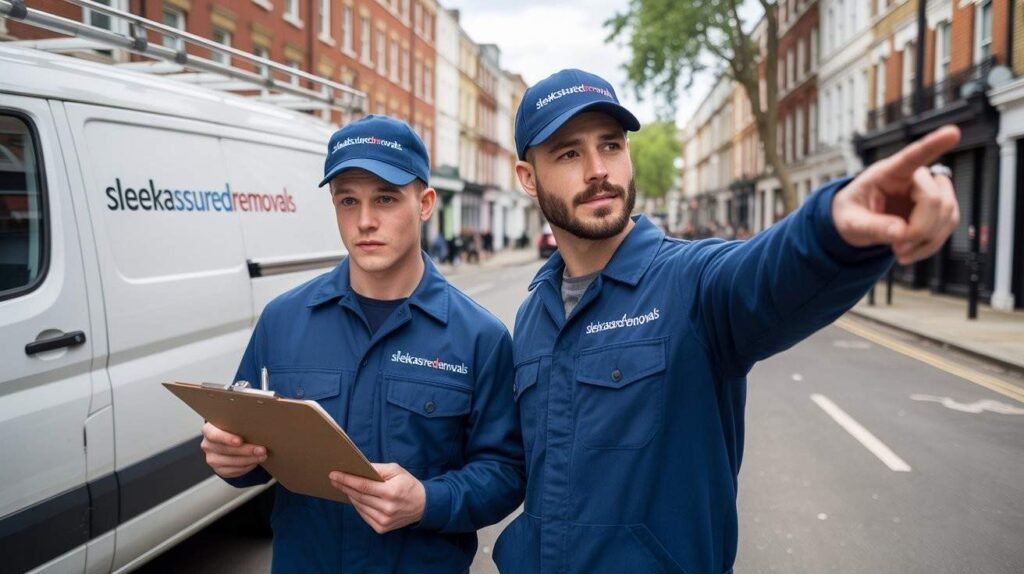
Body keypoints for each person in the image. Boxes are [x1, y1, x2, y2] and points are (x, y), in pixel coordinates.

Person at [492, 69, 961, 574]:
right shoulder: (533, 314)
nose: (597, 170)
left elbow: (765, 274)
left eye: (610, 145)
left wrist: (832, 231)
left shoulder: (693, 282)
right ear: (527, 178)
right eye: (568, 153)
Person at [199, 115, 525, 573]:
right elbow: (252, 447)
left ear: (425, 203)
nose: (365, 221)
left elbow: (506, 473)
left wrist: (428, 501)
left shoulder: (480, 338)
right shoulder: (283, 320)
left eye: (386, 199)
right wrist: (229, 458)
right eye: (348, 200)